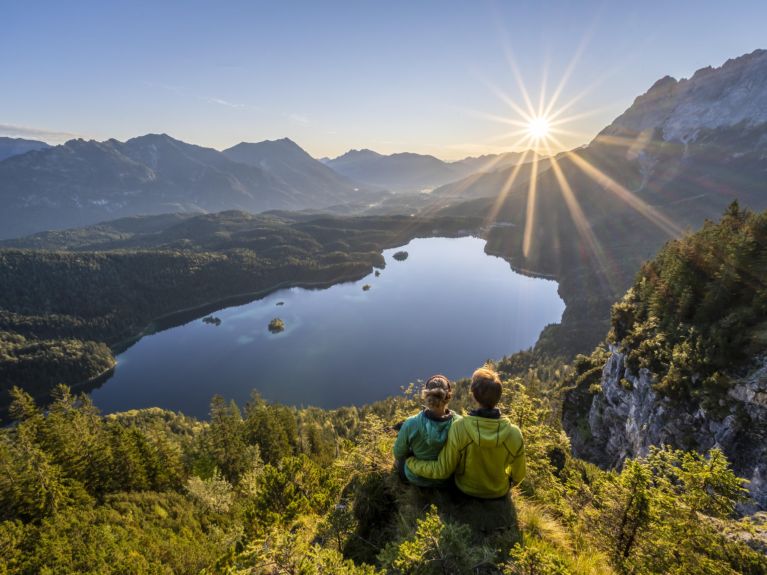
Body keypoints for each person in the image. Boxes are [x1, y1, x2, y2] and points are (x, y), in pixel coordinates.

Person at [406, 366, 526, 498]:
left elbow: (443, 470)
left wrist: (411, 462)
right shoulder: (514, 434)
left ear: (474, 396)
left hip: (465, 489)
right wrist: (506, 483)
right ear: (499, 396)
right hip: (498, 492)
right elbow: (518, 475)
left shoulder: (460, 428)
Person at [393, 374, 461, 487]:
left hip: (416, 477)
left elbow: (398, 453)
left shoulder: (411, 423)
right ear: (448, 396)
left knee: (400, 460)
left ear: (426, 396)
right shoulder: (459, 423)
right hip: (447, 479)